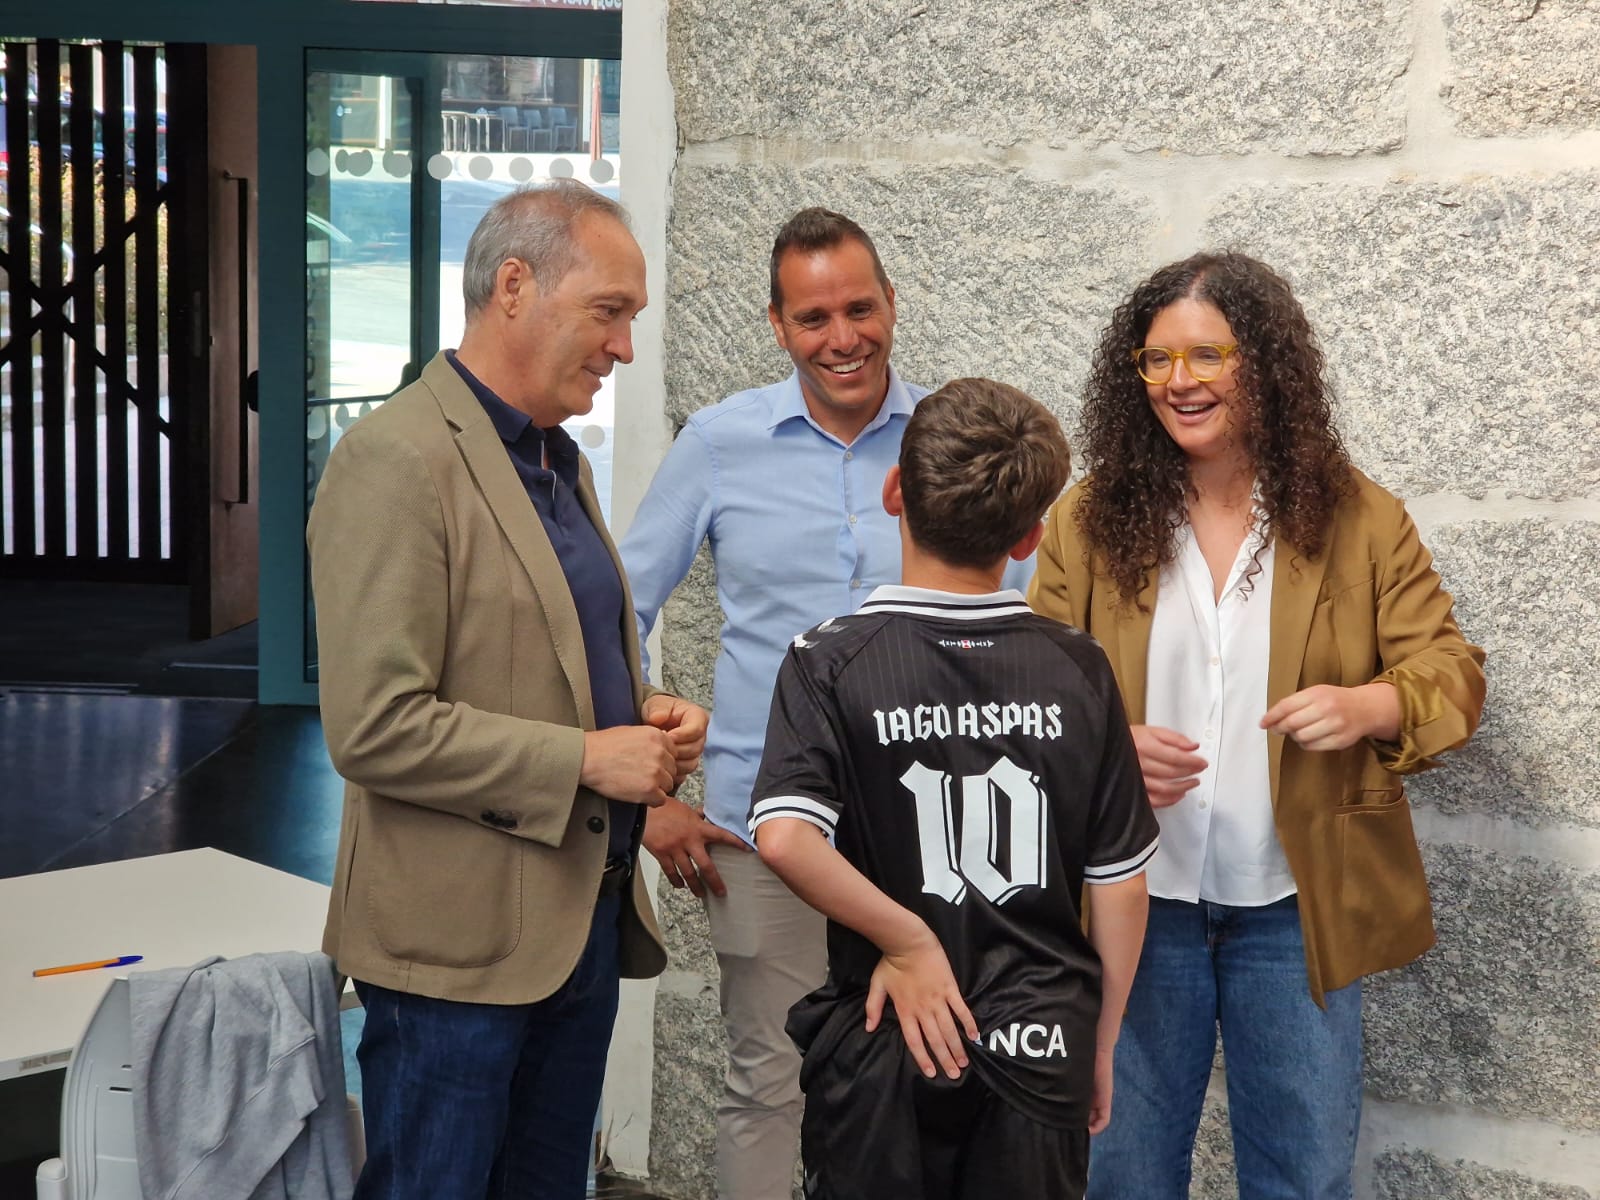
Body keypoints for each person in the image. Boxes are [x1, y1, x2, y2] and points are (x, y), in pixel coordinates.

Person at [1028, 251, 1486, 1199]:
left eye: (1208, 354)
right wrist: (1101, 751)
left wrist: (1369, 704)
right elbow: (1029, 693)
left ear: (1267, 364)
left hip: (1292, 908)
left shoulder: (1359, 516)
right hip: (1131, 900)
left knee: (1302, 1179)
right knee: (1121, 1176)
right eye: (1157, 360)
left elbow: (1452, 672)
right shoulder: (1088, 520)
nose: (1179, 381)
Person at [307, 180, 708, 1200]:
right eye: (609, 311)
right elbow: (374, 727)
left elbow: (533, 661)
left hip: (574, 934)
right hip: (455, 959)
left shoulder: (553, 458)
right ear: (515, 286)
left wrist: (640, 713)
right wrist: (589, 757)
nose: (624, 347)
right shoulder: (393, 460)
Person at [620, 207, 1030, 1198]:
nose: (841, 338)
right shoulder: (719, 444)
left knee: (935, 1083)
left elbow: (1022, 622)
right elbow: (612, 610)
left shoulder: (952, 441)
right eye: (812, 318)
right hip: (765, 836)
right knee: (770, 1084)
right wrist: (650, 797)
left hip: (938, 835)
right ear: (777, 325)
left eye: (858, 309)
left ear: (892, 303)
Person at [748, 378, 1158, 1200]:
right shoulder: (1078, 666)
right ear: (1030, 536)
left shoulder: (829, 660)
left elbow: (786, 836)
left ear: (894, 490)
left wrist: (908, 942)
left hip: (887, 1034)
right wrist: (1101, 1040)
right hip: (1041, 1036)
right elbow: (1120, 881)